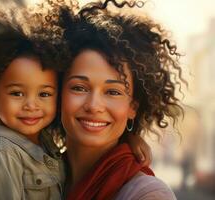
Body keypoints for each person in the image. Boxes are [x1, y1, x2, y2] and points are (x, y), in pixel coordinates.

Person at [0, 1, 152, 199]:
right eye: (79, 88)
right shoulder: (0, 153)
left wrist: (128, 137)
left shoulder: (46, 147)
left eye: (44, 94)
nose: (31, 105)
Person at [55, 0, 186, 199]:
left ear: (133, 106)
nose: (93, 105)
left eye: (113, 92)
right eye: (79, 88)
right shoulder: (34, 173)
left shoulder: (147, 194)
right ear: (57, 93)